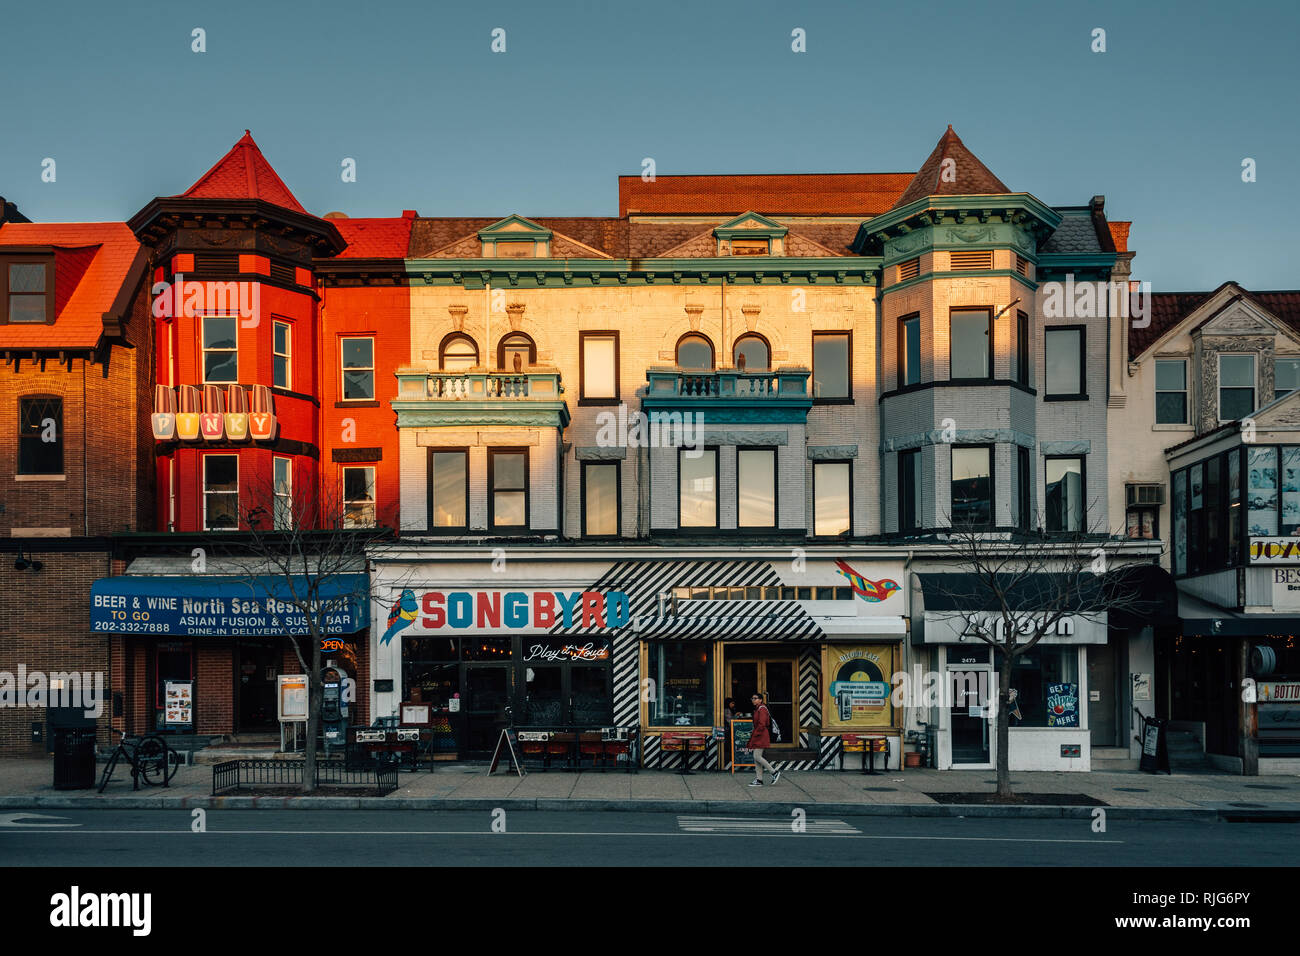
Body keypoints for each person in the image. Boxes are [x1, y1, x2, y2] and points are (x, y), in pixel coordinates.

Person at [747, 692, 780, 786]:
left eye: (755, 698)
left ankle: (774, 772)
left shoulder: (762, 709)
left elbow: (762, 724)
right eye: (752, 698)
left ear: (760, 700)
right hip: (759, 734)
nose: (753, 700)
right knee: (756, 757)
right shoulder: (758, 709)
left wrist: (755, 734)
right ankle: (759, 780)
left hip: (761, 735)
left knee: (757, 756)